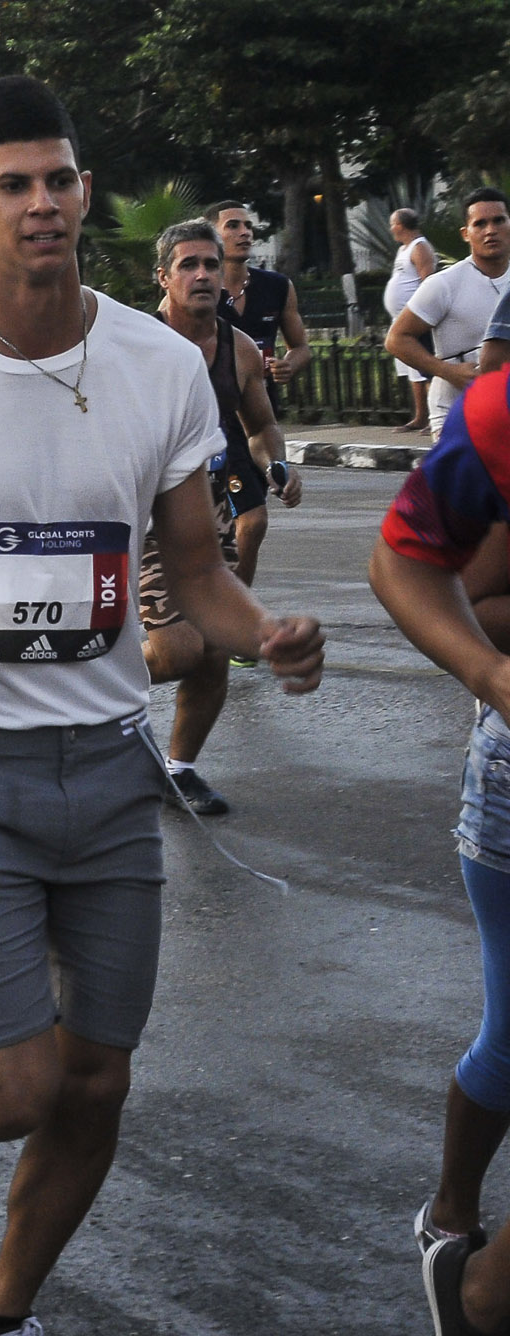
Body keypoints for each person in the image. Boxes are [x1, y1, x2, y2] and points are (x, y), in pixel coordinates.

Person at [0, 79, 324, 1335]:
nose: (42, 204)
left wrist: (269, 636)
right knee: (14, 1081)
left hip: (109, 765)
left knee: (95, 1084)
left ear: (84, 194)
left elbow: (196, 570)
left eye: (60, 180)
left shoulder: (161, 366)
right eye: (14, 183)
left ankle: (4, 1313)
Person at [368, 368, 510, 1336]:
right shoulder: (501, 412)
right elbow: (407, 561)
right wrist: (492, 672)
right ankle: (472, 1272)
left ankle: (463, 1252)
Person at [137, 219, 299, 817]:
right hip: (141, 512)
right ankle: (84, 689)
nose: (202, 274)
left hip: (205, 511)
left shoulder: (240, 350)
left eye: (210, 264)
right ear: (164, 277)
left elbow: (260, 428)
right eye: (188, 265)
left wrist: (277, 465)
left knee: (213, 650)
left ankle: (178, 771)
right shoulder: (134, 343)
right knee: (178, 652)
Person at [210, 201, 312, 585]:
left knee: (248, 528)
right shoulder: (199, 292)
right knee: (251, 521)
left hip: (259, 416)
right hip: (217, 422)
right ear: (213, 235)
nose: (244, 232)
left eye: (248, 226)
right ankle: (236, 616)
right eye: (232, 225)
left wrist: (290, 364)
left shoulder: (277, 287)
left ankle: (236, 610)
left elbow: (302, 347)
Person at [393, 190, 510, 443]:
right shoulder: (445, 284)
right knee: (465, 482)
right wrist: (447, 371)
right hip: (455, 410)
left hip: (504, 407)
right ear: (466, 233)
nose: (490, 230)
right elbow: (397, 339)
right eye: (480, 223)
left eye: (499, 220)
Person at [393, 209, 444, 432]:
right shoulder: (403, 249)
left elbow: (427, 281)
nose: (391, 228)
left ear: (401, 225)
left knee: (426, 367)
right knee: (413, 370)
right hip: (401, 322)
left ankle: (435, 418)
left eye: (393, 223)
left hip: (417, 320)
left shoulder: (420, 247)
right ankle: (420, 417)